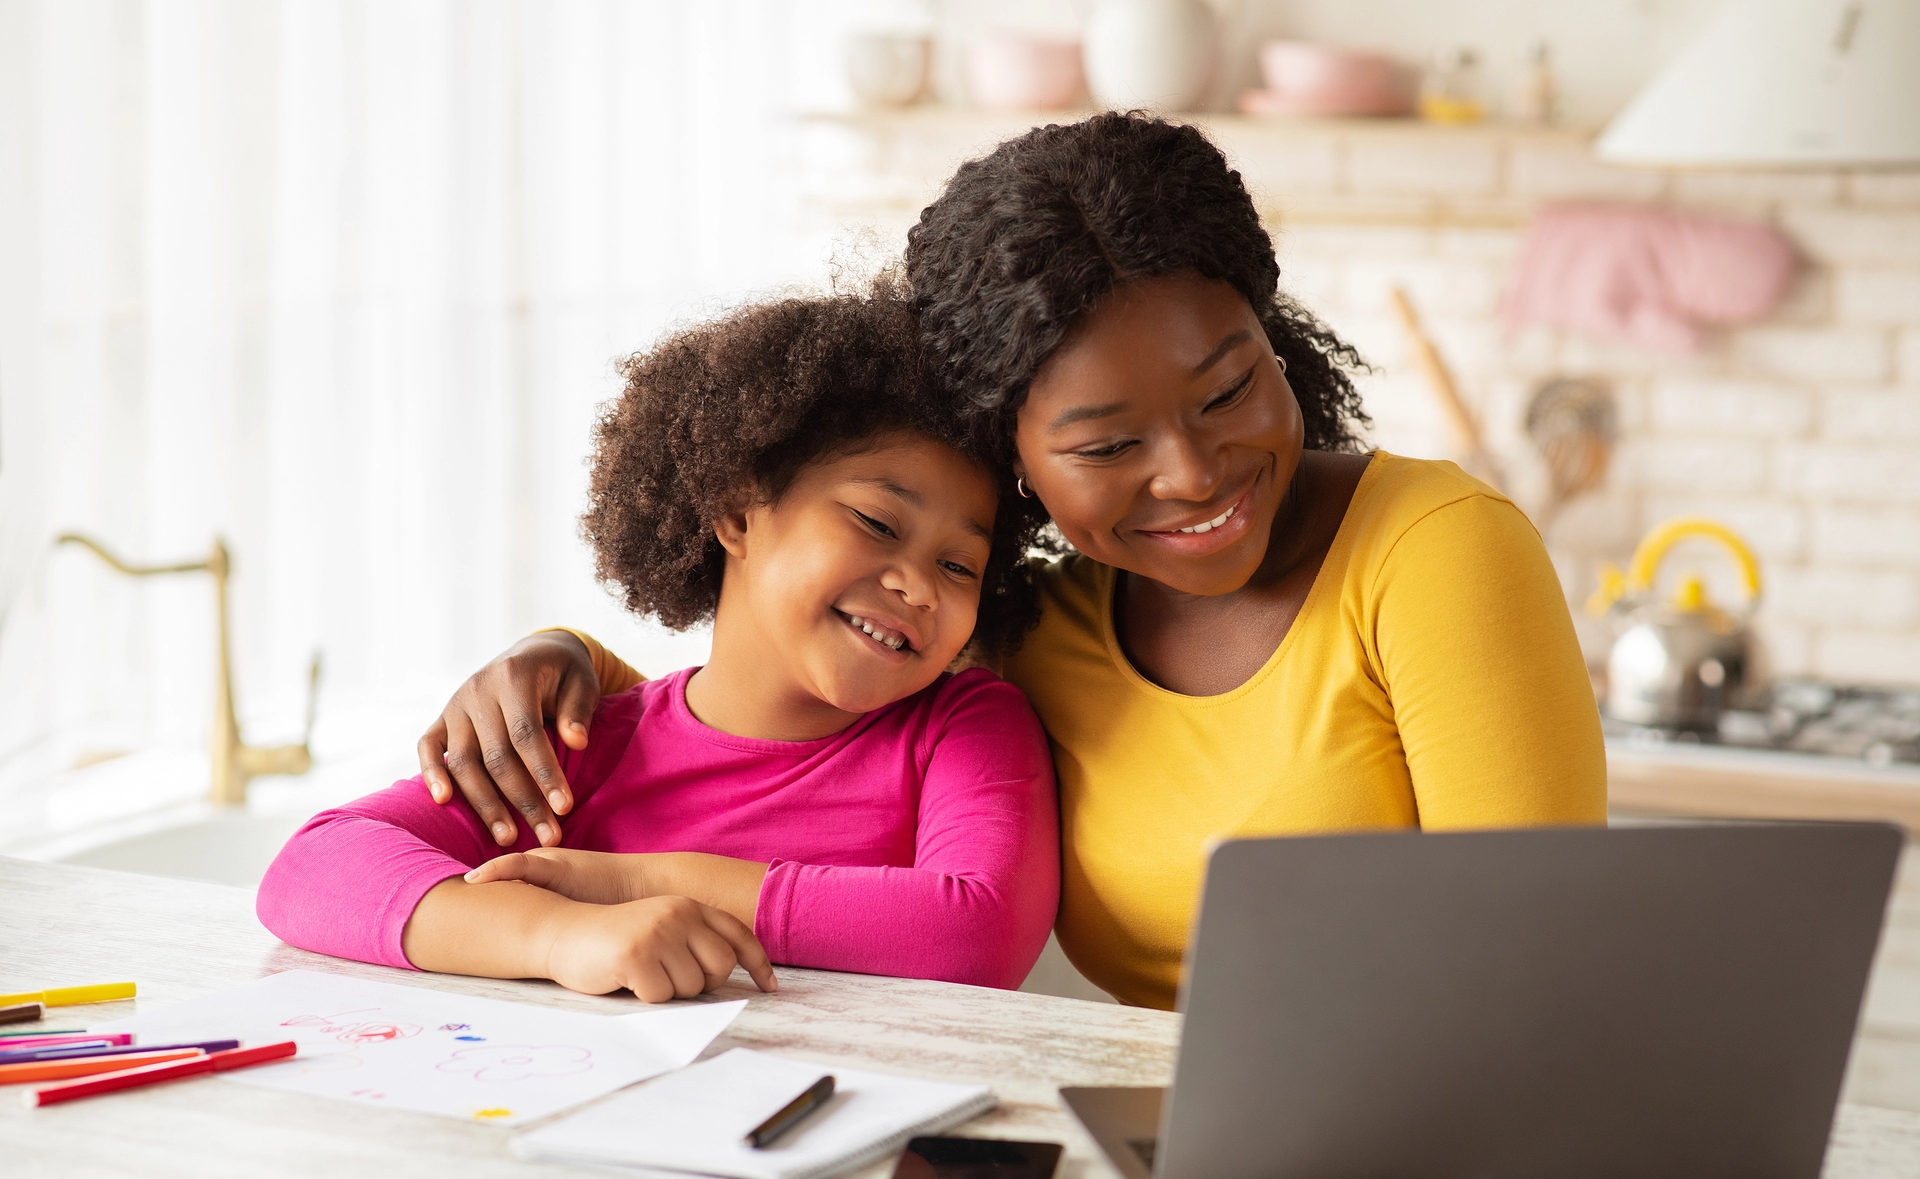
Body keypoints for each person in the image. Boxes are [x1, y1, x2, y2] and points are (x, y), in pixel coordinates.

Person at [418, 114, 1606, 1010]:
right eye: (1108, 444)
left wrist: (638, 884)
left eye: (1232, 387)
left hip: (1427, 1141)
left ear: (1273, 336)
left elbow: (1539, 963)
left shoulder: (1434, 550)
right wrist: (563, 654)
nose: (1194, 473)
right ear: (1016, 461)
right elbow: (771, 699)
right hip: (1156, 1147)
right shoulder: (1033, 619)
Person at [257, 291, 1060, 1002]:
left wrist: (636, 879)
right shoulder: (580, 745)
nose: (920, 586)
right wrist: (563, 937)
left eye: (960, 565)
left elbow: (974, 933)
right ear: (740, 511)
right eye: (877, 523)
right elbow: (310, 872)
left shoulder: (963, 727)